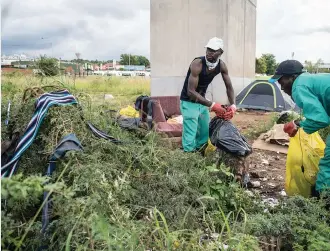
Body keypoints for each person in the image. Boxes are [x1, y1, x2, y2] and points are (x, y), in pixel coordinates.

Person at [269, 59, 330, 196]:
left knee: (328, 164)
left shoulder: (298, 86)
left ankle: (323, 202)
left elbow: (320, 120)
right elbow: (321, 113)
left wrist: (297, 125)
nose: (281, 87)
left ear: (292, 77)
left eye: (282, 81)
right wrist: (298, 122)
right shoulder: (308, 80)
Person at [180, 37, 236, 152]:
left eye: (213, 50)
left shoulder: (221, 65)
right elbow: (191, 92)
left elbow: (229, 87)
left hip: (202, 101)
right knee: (191, 133)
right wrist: (213, 105)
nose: (209, 53)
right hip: (189, 101)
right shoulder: (197, 64)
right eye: (208, 49)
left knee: (204, 132)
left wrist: (233, 105)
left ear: (221, 52)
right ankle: (188, 158)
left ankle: (200, 154)